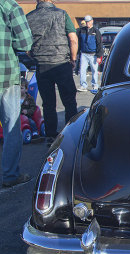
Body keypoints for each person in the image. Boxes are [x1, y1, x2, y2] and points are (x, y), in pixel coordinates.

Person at [26, 0, 78, 144]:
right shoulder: (61, 14)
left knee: (48, 103)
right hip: (61, 62)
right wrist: (73, 58)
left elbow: (25, 44)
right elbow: (73, 39)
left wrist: (35, 56)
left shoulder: (29, 17)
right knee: (69, 101)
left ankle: (50, 135)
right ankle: (71, 133)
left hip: (42, 65)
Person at [0, 0, 33, 188]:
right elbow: (24, 42)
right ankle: (10, 175)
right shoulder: (9, 6)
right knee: (11, 127)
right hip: (4, 75)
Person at [77, 15, 103, 91]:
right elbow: (78, 42)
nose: (87, 23)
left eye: (88, 21)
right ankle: (83, 85)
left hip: (93, 54)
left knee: (94, 71)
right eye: (86, 22)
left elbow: (99, 44)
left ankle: (95, 85)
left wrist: (99, 56)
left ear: (92, 21)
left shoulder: (96, 31)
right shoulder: (81, 30)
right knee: (82, 70)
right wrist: (77, 53)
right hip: (84, 54)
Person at [20, 78, 44, 143]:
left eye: (21, 88)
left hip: (27, 116)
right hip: (17, 116)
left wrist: (27, 111)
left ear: (26, 89)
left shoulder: (29, 98)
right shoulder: (15, 98)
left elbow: (33, 108)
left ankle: (35, 133)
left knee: (31, 122)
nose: (19, 90)